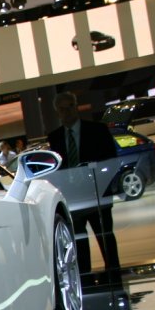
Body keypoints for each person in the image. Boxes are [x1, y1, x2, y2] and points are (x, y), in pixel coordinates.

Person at [47, 91, 120, 276]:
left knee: (106, 241)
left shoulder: (97, 130)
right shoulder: (54, 137)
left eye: (69, 106)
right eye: (62, 109)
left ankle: (114, 277)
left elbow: (112, 160)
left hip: (97, 196)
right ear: (57, 112)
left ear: (76, 106)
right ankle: (85, 281)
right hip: (73, 200)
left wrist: (102, 183)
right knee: (79, 244)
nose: (67, 112)